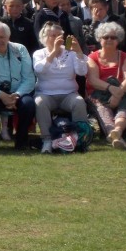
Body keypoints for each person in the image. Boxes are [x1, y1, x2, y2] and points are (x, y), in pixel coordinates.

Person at [0, 21, 36, 150]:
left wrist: (17, 95)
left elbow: (29, 79)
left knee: (29, 105)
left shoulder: (20, 49)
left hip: (17, 92)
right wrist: (2, 95)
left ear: (8, 37)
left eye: (2, 37)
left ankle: (21, 138)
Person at [32, 21, 89, 154]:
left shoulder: (70, 52)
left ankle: (79, 139)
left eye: (59, 35)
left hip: (69, 94)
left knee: (79, 102)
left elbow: (81, 72)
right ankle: (47, 140)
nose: (57, 38)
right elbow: (39, 70)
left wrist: (79, 52)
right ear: (44, 38)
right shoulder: (39, 53)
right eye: (53, 35)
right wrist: (53, 52)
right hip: (46, 93)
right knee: (39, 102)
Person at [86, 22, 126, 149]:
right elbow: (93, 80)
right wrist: (111, 89)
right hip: (99, 93)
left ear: (118, 40)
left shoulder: (125, 57)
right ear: (99, 39)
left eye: (113, 37)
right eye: (105, 37)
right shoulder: (92, 57)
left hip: (122, 92)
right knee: (103, 109)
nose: (109, 40)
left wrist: (118, 93)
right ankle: (116, 137)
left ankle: (117, 131)